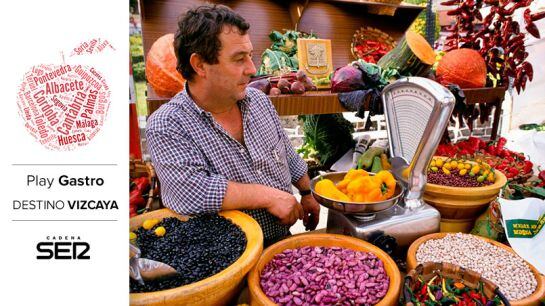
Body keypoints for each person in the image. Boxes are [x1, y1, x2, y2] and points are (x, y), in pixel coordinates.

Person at [146, 4, 320, 246]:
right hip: (226, 257)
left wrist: (306, 192)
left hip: (280, 240)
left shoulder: (258, 101)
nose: (252, 69)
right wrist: (267, 197)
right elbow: (189, 192)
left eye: (250, 55)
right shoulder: (167, 124)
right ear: (199, 65)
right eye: (239, 59)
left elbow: (285, 153)